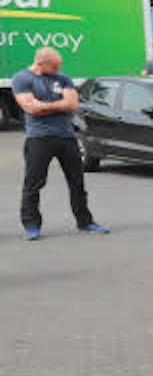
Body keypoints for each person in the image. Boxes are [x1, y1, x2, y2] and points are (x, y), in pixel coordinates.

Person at [12, 47, 108, 241]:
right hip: (39, 138)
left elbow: (72, 104)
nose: (58, 69)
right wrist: (58, 106)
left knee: (77, 182)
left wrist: (44, 106)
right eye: (54, 66)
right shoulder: (22, 79)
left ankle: (85, 222)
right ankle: (31, 226)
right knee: (33, 184)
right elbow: (30, 108)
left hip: (67, 137)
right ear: (41, 63)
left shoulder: (62, 78)